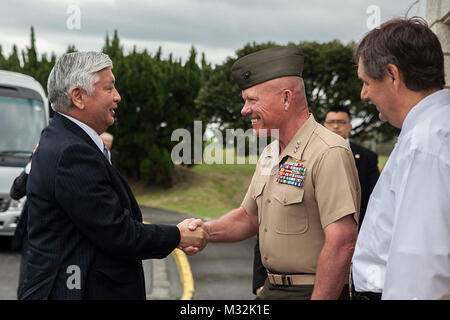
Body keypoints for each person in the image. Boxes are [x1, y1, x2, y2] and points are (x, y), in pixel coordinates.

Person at [19, 51, 208, 300]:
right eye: (109, 88)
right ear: (78, 96)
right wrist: (178, 235)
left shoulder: (62, 138)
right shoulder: (72, 152)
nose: (117, 97)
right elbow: (117, 233)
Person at [187, 46, 361, 300]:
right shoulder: (270, 153)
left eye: (252, 100)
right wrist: (204, 231)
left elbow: (343, 241)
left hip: (312, 292)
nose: (244, 110)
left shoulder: (328, 151)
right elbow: (248, 217)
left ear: (286, 98)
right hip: (272, 290)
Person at [351, 17, 450, 300]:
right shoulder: (429, 130)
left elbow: (422, 266)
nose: (364, 94)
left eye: (367, 82)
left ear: (392, 75)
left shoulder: (427, 142)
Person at [252, 105, 379, 295]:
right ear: (324, 124)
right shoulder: (279, 153)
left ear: (350, 126)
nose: (336, 126)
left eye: (341, 122)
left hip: (351, 254)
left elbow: (371, 205)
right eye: (331, 122)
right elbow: (267, 220)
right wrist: (260, 279)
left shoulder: (366, 157)